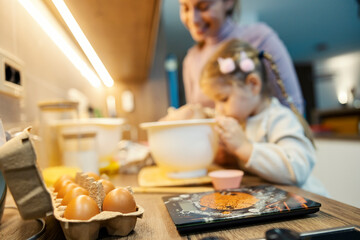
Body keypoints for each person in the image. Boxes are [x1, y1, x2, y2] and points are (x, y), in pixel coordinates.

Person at [199, 38, 327, 196]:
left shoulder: (279, 118)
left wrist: (243, 147)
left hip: (308, 205)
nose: (219, 109)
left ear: (253, 84)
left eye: (224, 99)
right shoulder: (242, 120)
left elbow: (298, 168)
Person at [161, 0, 304, 121]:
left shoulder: (259, 38)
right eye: (185, 8)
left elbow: (293, 110)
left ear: (228, 2)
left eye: (203, 7)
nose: (193, 19)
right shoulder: (191, 60)